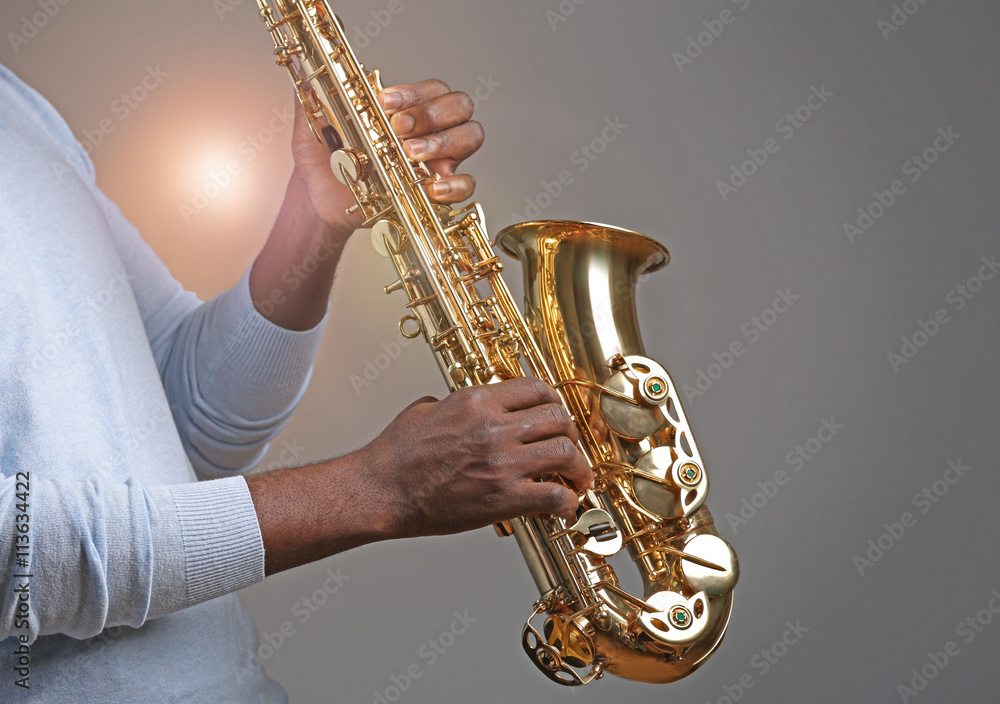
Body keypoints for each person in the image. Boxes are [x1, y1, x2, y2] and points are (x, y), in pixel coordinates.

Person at [0, 61, 591, 702]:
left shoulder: (15, 104)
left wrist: (313, 217)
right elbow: (15, 557)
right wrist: (378, 489)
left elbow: (190, 418)